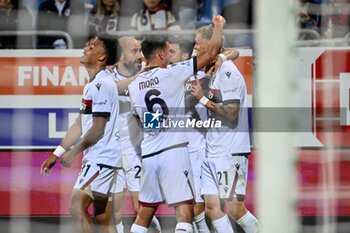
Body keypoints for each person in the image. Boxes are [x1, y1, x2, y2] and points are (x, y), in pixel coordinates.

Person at [128, 15, 226, 233]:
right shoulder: (172, 74)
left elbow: (141, 121)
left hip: (150, 155)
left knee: (143, 215)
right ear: (161, 54)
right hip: (174, 153)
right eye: (168, 52)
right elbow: (210, 53)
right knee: (184, 212)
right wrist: (218, 26)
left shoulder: (135, 86)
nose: (170, 57)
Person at [40, 35, 121, 233]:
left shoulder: (101, 85)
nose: (86, 47)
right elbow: (80, 124)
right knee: (102, 216)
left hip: (101, 159)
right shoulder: (93, 84)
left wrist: (73, 152)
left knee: (76, 207)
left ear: (102, 57)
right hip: (105, 159)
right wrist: (56, 153)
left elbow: (97, 129)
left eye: (93, 46)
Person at [191, 24, 260, 233]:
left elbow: (231, 114)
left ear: (213, 46)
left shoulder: (229, 72)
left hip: (230, 151)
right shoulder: (213, 70)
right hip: (214, 149)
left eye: (198, 44)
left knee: (235, 208)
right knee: (212, 208)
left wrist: (202, 98)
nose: (196, 48)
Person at [169, 36, 240, 233]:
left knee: (200, 207)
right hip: (178, 150)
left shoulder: (201, 73)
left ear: (185, 56)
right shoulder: (167, 74)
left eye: (172, 53)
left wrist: (224, 57)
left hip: (197, 149)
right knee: (190, 208)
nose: (168, 56)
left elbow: (232, 52)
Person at [109, 36, 161, 233]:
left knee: (142, 208)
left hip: (137, 151)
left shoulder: (149, 72)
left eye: (140, 50)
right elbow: (111, 89)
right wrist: (137, 79)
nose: (140, 56)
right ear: (119, 55)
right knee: (114, 212)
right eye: (134, 51)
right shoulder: (108, 75)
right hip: (113, 151)